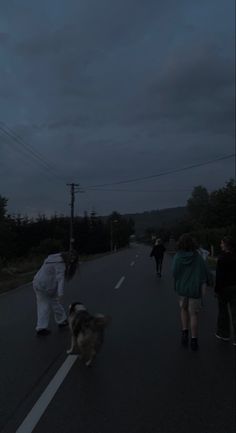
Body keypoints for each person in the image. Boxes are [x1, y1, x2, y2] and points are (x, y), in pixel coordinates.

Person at [172, 233, 213, 351]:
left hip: (182, 289)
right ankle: (194, 340)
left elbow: (174, 272)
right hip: (195, 290)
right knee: (193, 314)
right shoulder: (197, 256)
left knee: (183, 310)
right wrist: (209, 282)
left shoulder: (178, 256)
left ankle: (184, 333)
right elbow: (205, 271)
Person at [33, 250, 78, 336]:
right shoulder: (61, 265)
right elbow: (60, 279)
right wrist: (61, 293)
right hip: (45, 285)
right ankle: (41, 328)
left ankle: (62, 320)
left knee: (53, 302)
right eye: (71, 259)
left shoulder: (54, 257)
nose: (71, 261)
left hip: (38, 281)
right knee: (44, 305)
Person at [215, 236, 236, 346]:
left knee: (223, 312)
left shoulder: (222, 258)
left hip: (224, 288)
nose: (220, 245)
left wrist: (217, 290)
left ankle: (224, 334)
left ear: (226, 245)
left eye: (222, 243)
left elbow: (219, 276)